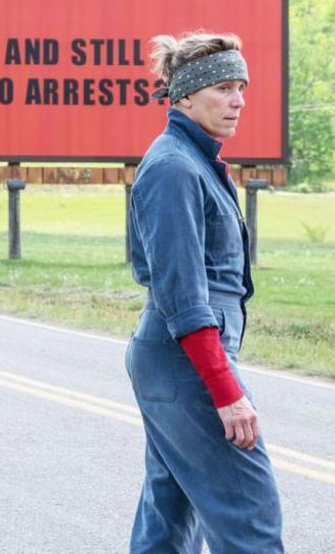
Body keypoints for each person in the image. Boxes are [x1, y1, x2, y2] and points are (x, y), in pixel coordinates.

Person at [125, 32, 285, 554]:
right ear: (185, 97)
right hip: (185, 359)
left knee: (170, 512)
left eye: (241, 86)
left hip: (176, 358)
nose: (238, 100)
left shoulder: (193, 160)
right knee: (248, 514)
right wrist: (227, 391)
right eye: (222, 87)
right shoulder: (174, 168)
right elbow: (184, 298)